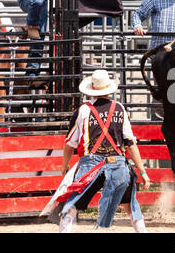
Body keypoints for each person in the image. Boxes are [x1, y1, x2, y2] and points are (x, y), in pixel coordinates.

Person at [57, 69, 150, 232]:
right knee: (131, 206)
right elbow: (130, 143)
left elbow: (70, 144)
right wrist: (142, 172)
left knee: (70, 206)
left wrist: (64, 166)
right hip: (118, 164)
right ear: (109, 89)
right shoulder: (119, 108)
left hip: (91, 166)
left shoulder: (83, 111)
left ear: (92, 89)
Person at [16, 0, 61, 87]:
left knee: (39, 36)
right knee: (38, 1)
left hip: (41, 1)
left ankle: (32, 74)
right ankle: (31, 26)